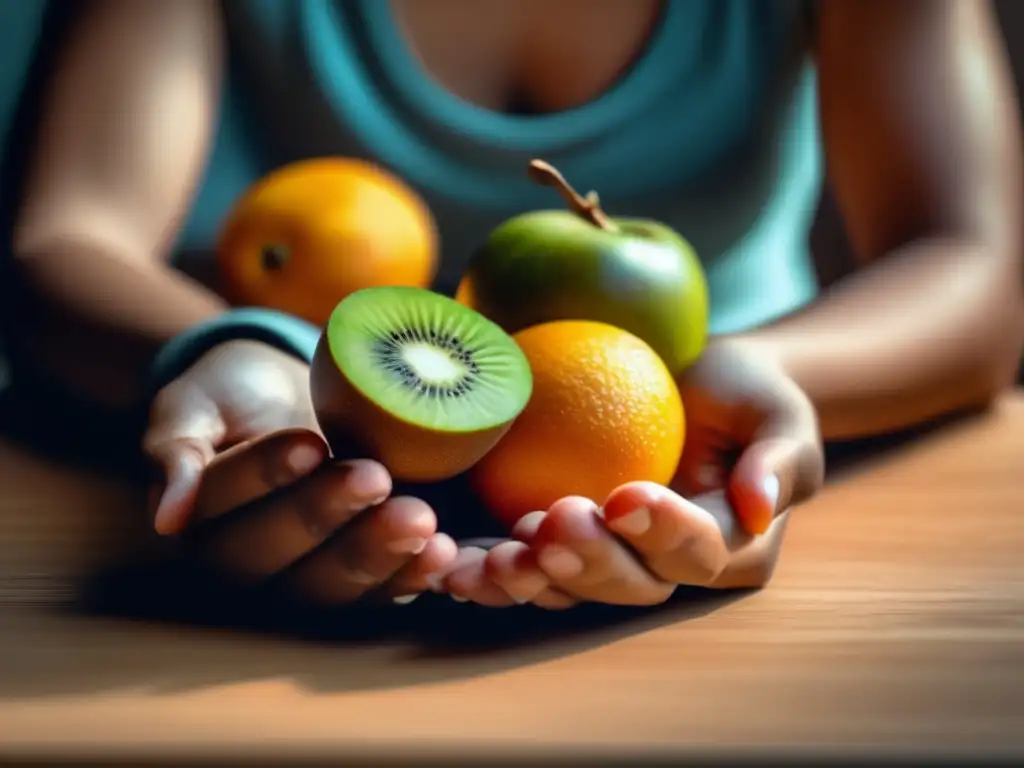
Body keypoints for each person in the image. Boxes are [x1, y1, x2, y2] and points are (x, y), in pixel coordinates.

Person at [7, 0, 1022, 609]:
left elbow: (973, 265)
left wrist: (767, 378)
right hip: (314, 441)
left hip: (673, 457)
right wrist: (242, 346)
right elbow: (63, 237)